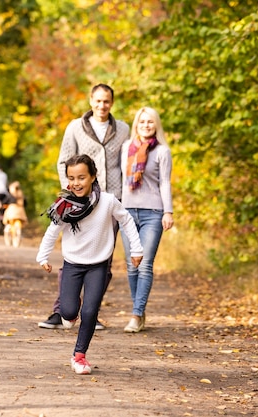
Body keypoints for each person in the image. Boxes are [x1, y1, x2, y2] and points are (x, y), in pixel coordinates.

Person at [36, 154, 143, 375]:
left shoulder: (107, 201)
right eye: (72, 178)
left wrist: (136, 249)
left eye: (82, 177)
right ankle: (71, 313)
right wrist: (43, 257)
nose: (76, 183)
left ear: (93, 176)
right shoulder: (64, 206)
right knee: (67, 312)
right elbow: (52, 231)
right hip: (72, 265)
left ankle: (79, 356)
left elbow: (126, 220)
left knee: (91, 310)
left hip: (98, 265)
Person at [38, 83, 130, 330]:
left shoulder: (122, 129)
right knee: (73, 257)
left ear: (112, 103)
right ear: (91, 101)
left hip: (109, 200)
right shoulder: (75, 127)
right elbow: (62, 162)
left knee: (104, 260)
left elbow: (126, 163)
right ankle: (61, 311)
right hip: (79, 202)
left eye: (107, 101)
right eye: (98, 101)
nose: (102, 105)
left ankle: (91, 312)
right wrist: (71, 195)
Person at [120, 107, 174, 333]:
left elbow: (165, 183)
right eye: (142, 121)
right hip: (127, 212)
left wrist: (168, 212)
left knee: (145, 265)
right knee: (132, 266)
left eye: (150, 121)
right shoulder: (126, 148)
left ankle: (136, 314)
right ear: (136, 124)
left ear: (156, 125)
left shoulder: (162, 151)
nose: (146, 125)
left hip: (153, 212)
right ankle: (139, 311)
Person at [2, 181, 29, 247]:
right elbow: (25, 203)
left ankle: (11, 236)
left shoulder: (10, 195)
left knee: (9, 223)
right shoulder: (21, 195)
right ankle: (17, 236)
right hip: (20, 212)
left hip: (11, 212)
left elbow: (4, 202)